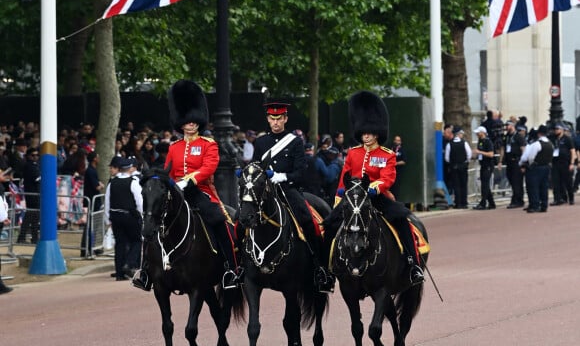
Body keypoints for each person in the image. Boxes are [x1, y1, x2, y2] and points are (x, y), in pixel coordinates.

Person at [133, 80, 242, 292]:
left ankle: (231, 269)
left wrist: (189, 180)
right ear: (180, 123)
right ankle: (146, 271)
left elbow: (209, 167)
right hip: (176, 193)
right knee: (152, 223)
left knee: (221, 221)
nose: (191, 123)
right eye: (187, 120)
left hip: (201, 192)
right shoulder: (174, 147)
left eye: (194, 120)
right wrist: (168, 183)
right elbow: (168, 171)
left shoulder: (208, 144)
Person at [324, 91, 424, 287]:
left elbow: (388, 178)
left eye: (369, 132)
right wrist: (339, 197)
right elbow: (344, 177)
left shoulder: (387, 154)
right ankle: (325, 269)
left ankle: (413, 265)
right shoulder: (353, 153)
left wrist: (373, 188)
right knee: (328, 226)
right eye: (363, 132)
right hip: (353, 199)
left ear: (377, 132)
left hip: (377, 198)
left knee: (403, 221)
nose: (365, 135)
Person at [252, 100, 334, 293]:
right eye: (272, 119)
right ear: (268, 119)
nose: (276, 122)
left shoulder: (295, 142)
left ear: (285, 119)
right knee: (242, 217)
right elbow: (255, 166)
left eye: (279, 118)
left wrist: (282, 176)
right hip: (264, 191)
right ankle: (239, 267)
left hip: (288, 190)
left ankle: (320, 267)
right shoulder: (261, 142)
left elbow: (301, 173)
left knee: (308, 220)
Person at [104, 157, 143, 280]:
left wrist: (107, 219)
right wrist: (142, 216)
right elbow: (139, 202)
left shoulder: (112, 182)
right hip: (130, 216)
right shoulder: (133, 182)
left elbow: (107, 202)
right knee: (136, 240)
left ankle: (119, 273)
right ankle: (129, 263)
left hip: (115, 216)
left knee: (120, 244)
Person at [519, 125, 553, 213]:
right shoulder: (550, 143)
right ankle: (544, 205)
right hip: (546, 167)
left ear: (539, 133)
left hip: (536, 167)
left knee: (533, 187)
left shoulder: (537, 144)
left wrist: (529, 165)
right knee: (544, 187)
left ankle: (534, 205)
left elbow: (531, 157)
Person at [80, 151, 104, 257]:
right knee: (90, 225)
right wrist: (101, 186)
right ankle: (87, 248)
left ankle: (92, 246)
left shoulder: (92, 170)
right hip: (92, 202)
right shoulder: (90, 171)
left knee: (93, 225)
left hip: (94, 201)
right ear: (94, 159)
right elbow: (97, 186)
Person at [17, 147, 40, 244]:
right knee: (31, 216)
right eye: (33, 155)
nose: (35, 157)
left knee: (32, 217)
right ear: (28, 156)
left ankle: (32, 237)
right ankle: (24, 237)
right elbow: (37, 179)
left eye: (36, 155)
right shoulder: (30, 166)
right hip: (33, 195)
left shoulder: (33, 165)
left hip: (33, 194)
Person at [444, 126, 471, 209]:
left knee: (456, 185)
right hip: (463, 166)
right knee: (464, 184)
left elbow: (447, 158)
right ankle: (464, 202)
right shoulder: (464, 143)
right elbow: (469, 154)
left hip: (454, 167)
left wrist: (452, 162)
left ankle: (458, 203)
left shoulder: (449, 144)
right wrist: (465, 161)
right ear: (458, 134)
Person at [502, 117, 526, 208]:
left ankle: (517, 200)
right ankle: (518, 198)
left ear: (512, 126)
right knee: (512, 181)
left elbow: (523, 149)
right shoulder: (507, 136)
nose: (506, 127)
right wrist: (501, 161)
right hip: (509, 161)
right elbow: (503, 149)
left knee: (517, 181)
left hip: (517, 161)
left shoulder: (518, 136)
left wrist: (523, 163)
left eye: (508, 125)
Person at [550, 122, 576, 206]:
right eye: (555, 129)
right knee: (556, 182)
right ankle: (558, 199)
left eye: (557, 129)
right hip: (555, 163)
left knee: (568, 182)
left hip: (565, 163)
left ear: (562, 130)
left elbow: (572, 151)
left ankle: (571, 198)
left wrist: (572, 163)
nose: (556, 131)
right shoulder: (553, 139)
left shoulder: (567, 139)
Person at [473, 125, 496, 210]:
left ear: (482, 133)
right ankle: (491, 203)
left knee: (485, 185)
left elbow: (491, 154)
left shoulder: (488, 142)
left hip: (488, 165)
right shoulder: (480, 141)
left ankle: (483, 203)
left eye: (478, 133)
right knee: (485, 184)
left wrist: (480, 152)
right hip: (483, 165)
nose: (477, 134)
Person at [390, 135, 406, 200]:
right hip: (390, 172)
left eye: (398, 140)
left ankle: (396, 201)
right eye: (396, 140)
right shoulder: (391, 149)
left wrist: (396, 163)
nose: (397, 142)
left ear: (401, 142)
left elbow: (404, 161)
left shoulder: (402, 150)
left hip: (398, 172)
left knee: (396, 188)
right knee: (390, 187)